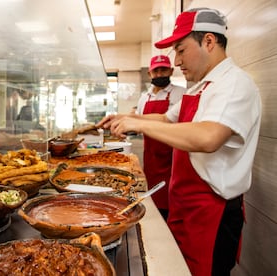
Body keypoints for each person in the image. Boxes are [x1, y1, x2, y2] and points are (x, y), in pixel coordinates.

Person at [97, 8, 261, 276]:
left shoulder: (234, 84)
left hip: (212, 212)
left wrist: (137, 123)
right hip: (184, 202)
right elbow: (166, 119)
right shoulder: (201, 86)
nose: (177, 61)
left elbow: (209, 137)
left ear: (209, 41)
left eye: (181, 50)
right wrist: (124, 117)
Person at [135, 55, 186, 220]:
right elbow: (137, 122)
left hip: (172, 158)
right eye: (156, 70)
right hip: (151, 157)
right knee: (152, 201)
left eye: (163, 69)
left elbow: (175, 123)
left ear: (171, 70)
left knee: (171, 203)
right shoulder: (145, 97)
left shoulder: (181, 93)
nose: (160, 74)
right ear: (150, 73)